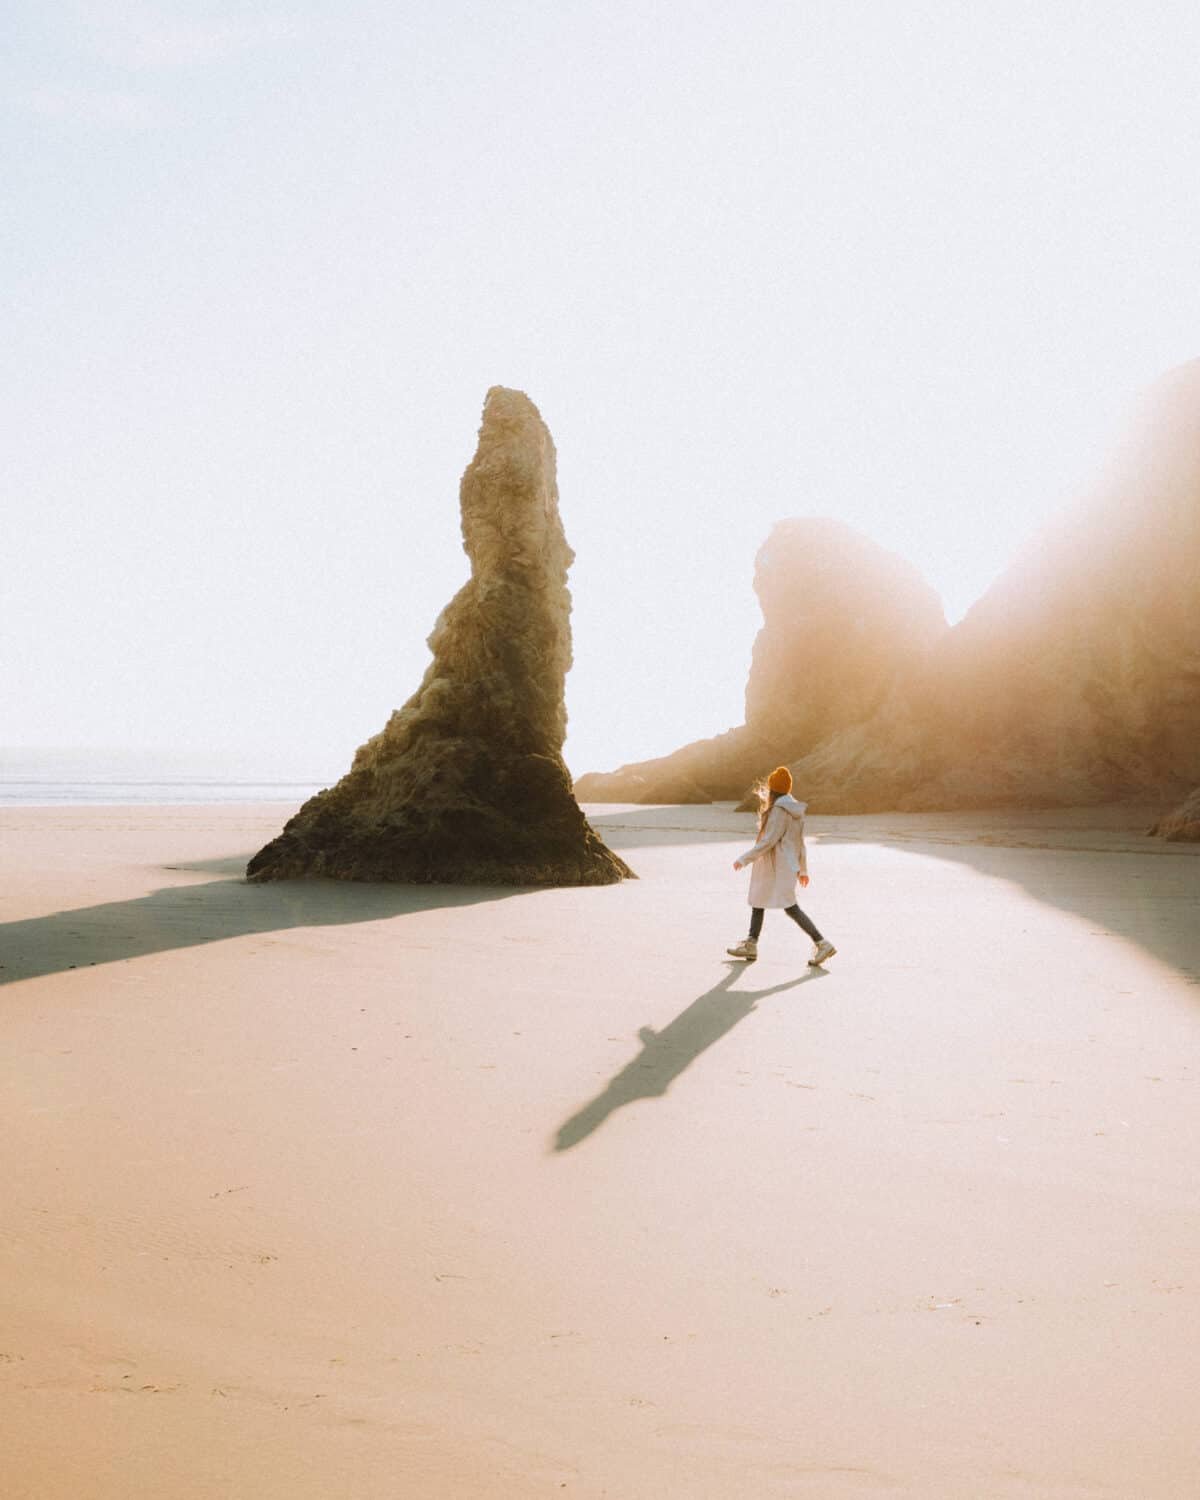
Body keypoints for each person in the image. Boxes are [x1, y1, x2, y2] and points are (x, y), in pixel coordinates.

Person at [726, 765, 836, 966]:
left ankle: (822, 943)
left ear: (773, 790)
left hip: (777, 866)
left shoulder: (779, 810)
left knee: (790, 907)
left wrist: (744, 859)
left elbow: (769, 840)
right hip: (785, 866)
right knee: (759, 900)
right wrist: (802, 869)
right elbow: (799, 843)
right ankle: (751, 943)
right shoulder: (794, 810)